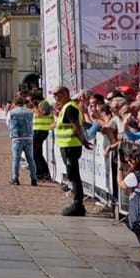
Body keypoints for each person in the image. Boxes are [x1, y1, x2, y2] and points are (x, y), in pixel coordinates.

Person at [52, 86, 92, 216]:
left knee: (73, 175)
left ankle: (78, 204)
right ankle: (77, 203)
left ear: (66, 94)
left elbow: (76, 126)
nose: (56, 96)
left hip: (71, 146)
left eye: (58, 94)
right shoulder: (66, 107)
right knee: (72, 175)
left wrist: (83, 141)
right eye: (54, 94)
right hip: (67, 145)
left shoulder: (70, 107)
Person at [7, 96, 37, 186]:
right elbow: (33, 123)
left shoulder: (11, 112)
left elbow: (8, 124)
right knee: (31, 159)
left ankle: (15, 178)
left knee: (16, 159)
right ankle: (34, 179)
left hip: (17, 138)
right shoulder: (30, 111)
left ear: (14, 103)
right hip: (28, 137)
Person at [31, 96, 53, 182]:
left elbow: (40, 114)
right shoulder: (42, 104)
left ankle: (40, 173)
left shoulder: (44, 104)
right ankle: (45, 173)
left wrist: (35, 106)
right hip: (39, 131)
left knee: (34, 153)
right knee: (38, 154)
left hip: (40, 131)